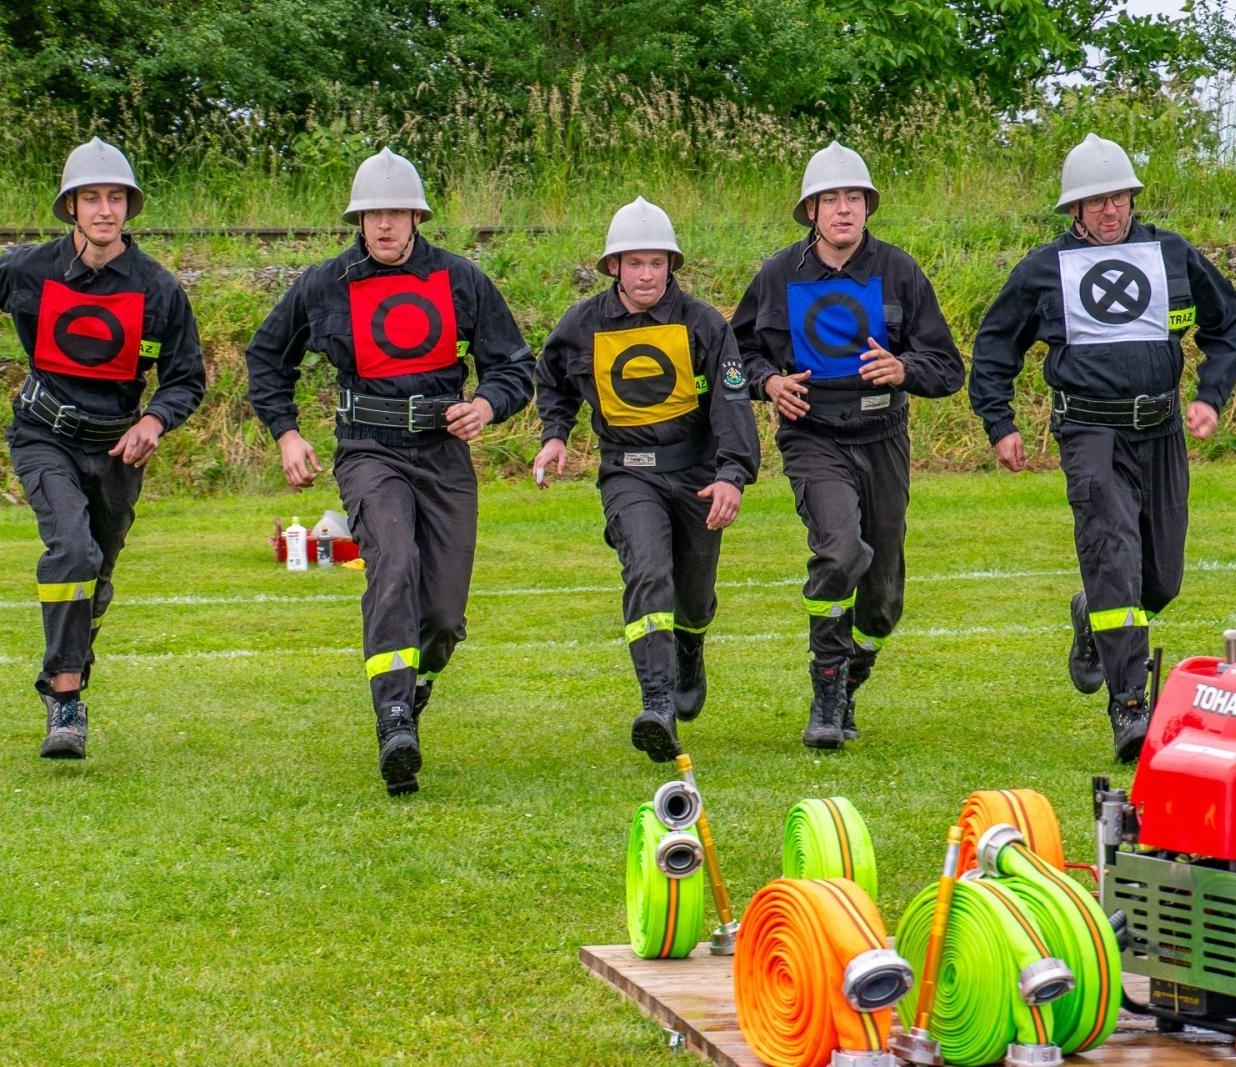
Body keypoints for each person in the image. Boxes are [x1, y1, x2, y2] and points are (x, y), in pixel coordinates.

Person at [0, 137, 207, 760]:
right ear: (71, 207)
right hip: (43, 435)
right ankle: (66, 701)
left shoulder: (157, 289)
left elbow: (187, 376)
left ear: (129, 208)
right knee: (72, 549)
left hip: (115, 451)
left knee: (97, 573)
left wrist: (155, 423)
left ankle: (68, 662)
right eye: (92, 198)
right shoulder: (28, 269)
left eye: (116, 198)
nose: (105, 210)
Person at [244, 148, 534, 797]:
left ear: (416, 216)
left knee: (443, 617)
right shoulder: (326, 284)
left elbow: (516, 365)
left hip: (443, 455)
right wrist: (287, 432)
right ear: (358, 218)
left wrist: (487, 404)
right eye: (372, 214)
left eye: (395, 212)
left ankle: (416, 685)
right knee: (394, 563)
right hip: (369, 452)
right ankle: (394, 717)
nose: (383, 225)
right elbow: (267, 357)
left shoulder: (462, 281)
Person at [968, 133, 1236, 763]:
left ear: (1132, 198)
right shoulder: (1043, 270)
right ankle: (1131, 707)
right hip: (1089, 435)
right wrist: (1001, 423)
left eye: (1118, 196)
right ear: (1075, 209)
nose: (1109, 210)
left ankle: (1090, 612)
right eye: (1095, 201)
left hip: (1162, 431)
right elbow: (994, 349)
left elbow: (1228, 325)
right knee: (1113, 557)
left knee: (1161, 579)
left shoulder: (1172, 253)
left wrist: (1210, 394)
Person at [731, 142, 964, 749]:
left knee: (883, 599)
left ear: (868, 207)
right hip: (812, 435)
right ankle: (825, 692)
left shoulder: (901, 271)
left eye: (854, 198)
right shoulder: (777, 275)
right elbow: (733, 359)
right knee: (838, 553)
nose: (843, 210)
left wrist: (904, 369)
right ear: (810, 210)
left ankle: (850, 678)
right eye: (830, 199)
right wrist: (769, 382)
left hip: (883, 436)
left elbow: (946, 366)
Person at [532, 197, 760, 762]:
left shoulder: (705, 324)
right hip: (627, 474)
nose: (646, 274)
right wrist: (555, 435)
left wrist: (732, 474)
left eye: (656, 262)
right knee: (648, 568)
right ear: (613, 266)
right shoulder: (582, 323)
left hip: (697, 475)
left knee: (694, 594)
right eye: (634, 263)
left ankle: (691, 643)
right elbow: (553, 380)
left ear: (671, 265)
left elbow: (733, 402)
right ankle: (656, 701)